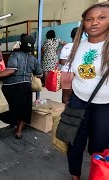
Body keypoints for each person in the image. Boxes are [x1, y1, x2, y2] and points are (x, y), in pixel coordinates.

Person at [62, 2, 109, 180]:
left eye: (101, 18)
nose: (94, 22)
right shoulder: (76, 46)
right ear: (83, 23)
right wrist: (66, 98)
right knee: (74, 143)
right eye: (89, 19)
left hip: (105, 107)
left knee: (99, 147)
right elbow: (68, 73)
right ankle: (75, 177)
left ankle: (98, 174)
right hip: (78, 101)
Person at [0, 35, 43, 139]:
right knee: (24, 109)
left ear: (21, 44)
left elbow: (11, 70)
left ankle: (12, 123)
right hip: (25, 86)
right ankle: (19, 131)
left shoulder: (15, 54)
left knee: (11, 107)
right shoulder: (33, 59)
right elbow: (39, 74)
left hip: (11, 86)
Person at [59, 27, 78, 103]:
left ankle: (64, 112)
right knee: (76, 96)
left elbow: (61, 61)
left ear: (71, 36)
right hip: (76, 73)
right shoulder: (82, 46)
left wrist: (69, 60)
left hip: (65, 72)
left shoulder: (66, 46)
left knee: (65, 95)